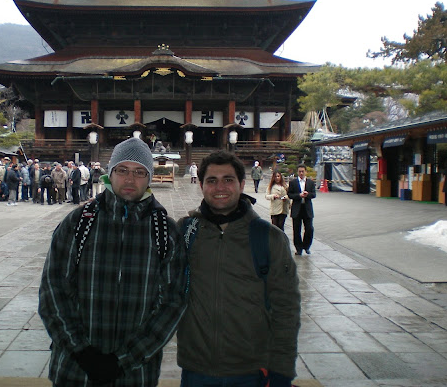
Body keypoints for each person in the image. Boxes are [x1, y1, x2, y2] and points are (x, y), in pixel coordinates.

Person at [39, 137, 187, 387]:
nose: (130, 179)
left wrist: (125, 360)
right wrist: (81, 352)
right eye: (122, 170)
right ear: (110, 173)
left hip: (135, 373)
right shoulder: (79, 222)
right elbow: (54, 291)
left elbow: (172, 303)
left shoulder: (165, 231)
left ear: (149, 177)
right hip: (75, 371)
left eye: (140, 172)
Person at [177, 151, 300, 387]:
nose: (219, 187)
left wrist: (281, 372)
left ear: (242, 184)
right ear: (201, 185)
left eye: (228, 179)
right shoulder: (186, 231)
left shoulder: (269, 238)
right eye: (211, 180)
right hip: (195, 368)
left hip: (252, 369)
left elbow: (287, 309)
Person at [287, 164, 316, 255]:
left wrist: (308, 195)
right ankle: (298, 248)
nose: (301, 173)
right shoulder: (293, 182)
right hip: (297, 208)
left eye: (303, 171)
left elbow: (314, 194)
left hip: (307, 208)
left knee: (309, 229)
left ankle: (306, 246)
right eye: (299, 171)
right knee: (296, 229)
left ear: (305, 172)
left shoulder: (310, 182)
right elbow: (290, 194)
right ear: (297, 172)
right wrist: (298, 196)